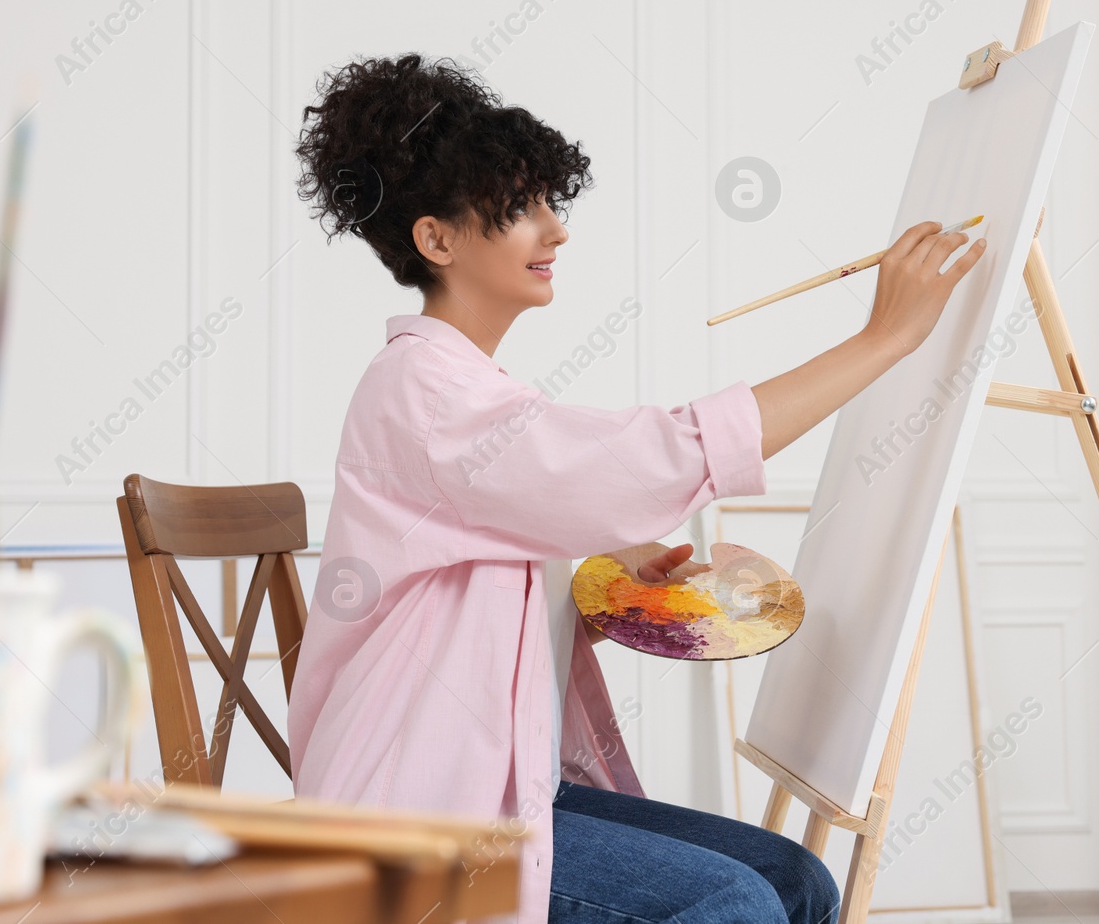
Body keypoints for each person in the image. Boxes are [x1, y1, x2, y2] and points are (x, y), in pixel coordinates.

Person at [284, 53, 986, 924]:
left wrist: (606, 583)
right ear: (437, 239)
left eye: (551, 202)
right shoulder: (423, 393)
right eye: (521, 207)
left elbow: (495, 575)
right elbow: (645, 459)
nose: (556, 230)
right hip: (422, 821)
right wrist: (884, 339)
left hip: (499, 784)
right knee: (734, 906)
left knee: (799, 879)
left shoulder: (470, 394)